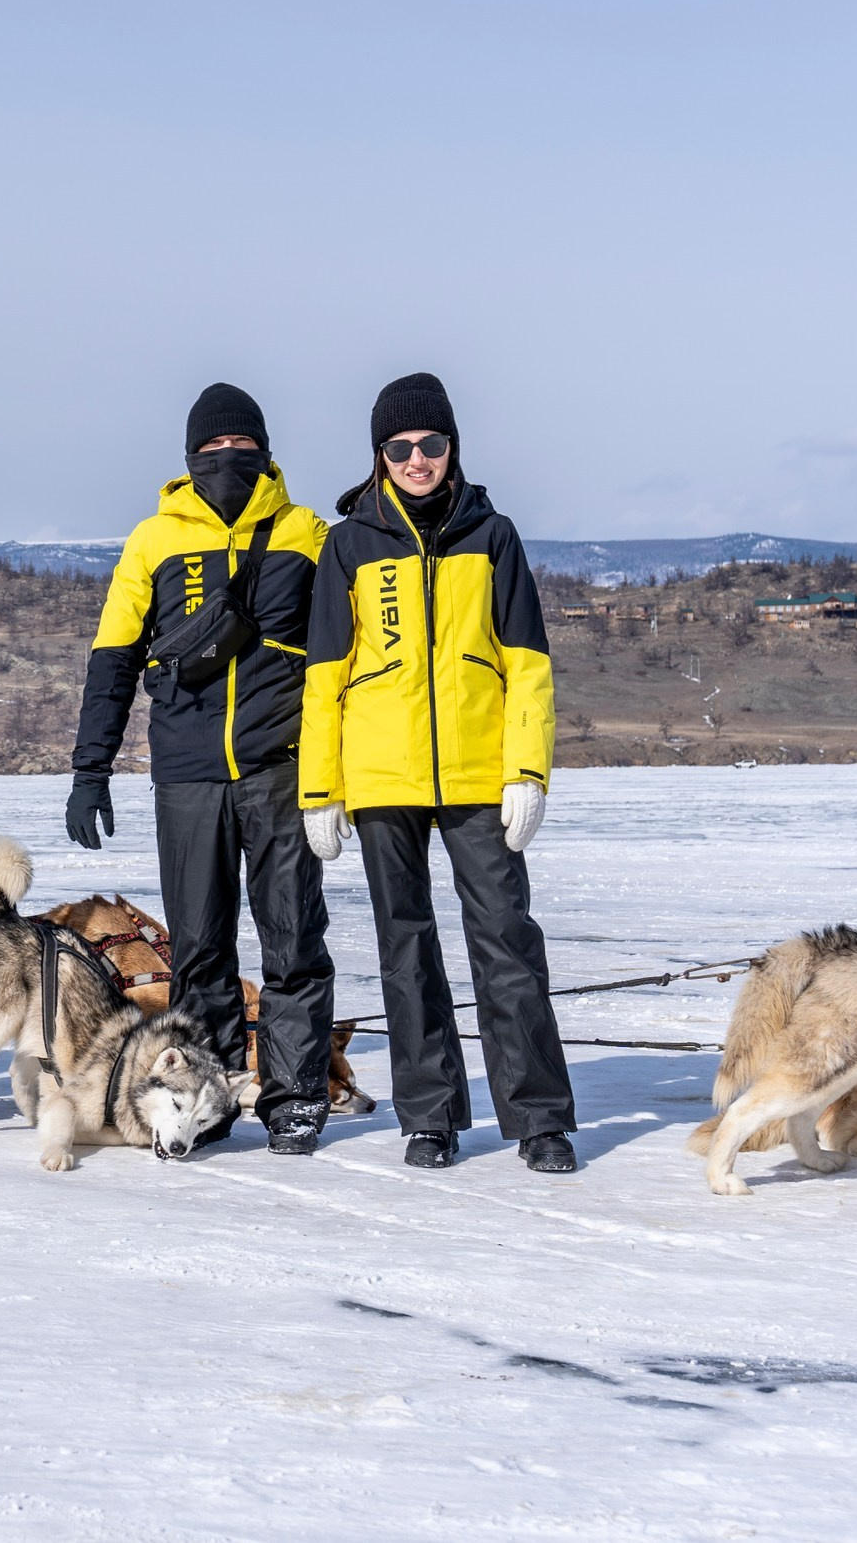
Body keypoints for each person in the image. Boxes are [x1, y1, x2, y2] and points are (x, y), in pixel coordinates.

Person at [297, 372, 577, 1173]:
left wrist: (528, 770)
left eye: (431, 444)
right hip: (381, 780)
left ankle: (538, 1118)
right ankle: (430, 1113)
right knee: (405, 948)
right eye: (400, 447)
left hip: (478, 774)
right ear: (378, 454)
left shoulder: (493, 536)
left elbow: (527, 666)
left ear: (453, 447)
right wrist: (321, 789)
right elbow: (324, 678)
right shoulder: (349, 544)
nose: (417, 459)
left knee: (507, 942)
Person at [66, 383, 337, 1154]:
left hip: (280, 769)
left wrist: (336, 777)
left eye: (241, 449)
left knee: (293, 941)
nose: (227, 461)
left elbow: (341, 661)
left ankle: (293, 1097)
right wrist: (93, 767)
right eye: (213, 451)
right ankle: (206, 1096)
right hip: (185, 774)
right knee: (199, 948)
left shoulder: (305, 533)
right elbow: (112, 661)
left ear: (266, 451)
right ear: (189, 459)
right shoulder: (152, 539)